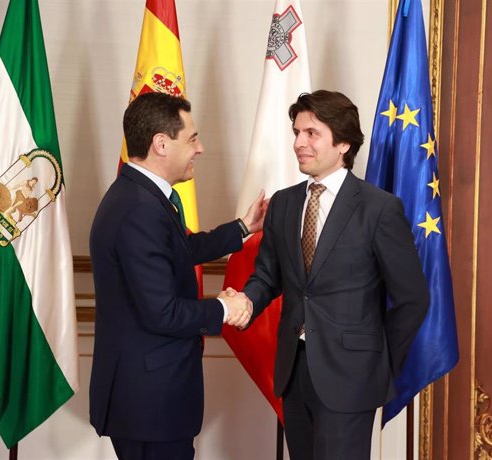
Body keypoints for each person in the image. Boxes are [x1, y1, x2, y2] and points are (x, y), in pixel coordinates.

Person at [238, 90, 429, 459]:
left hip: (352, 377)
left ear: (342, 142)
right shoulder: (283, 203)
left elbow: (413, 298)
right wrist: (246, 299)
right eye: (296, 132)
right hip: (294, 372)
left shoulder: (379, 209)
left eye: (311, 133)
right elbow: (267, 275)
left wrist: (378, 362)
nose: (298, 143)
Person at [89, 92, 266, 460]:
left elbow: (179, 250)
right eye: (192, 138)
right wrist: (224, 308)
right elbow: (162, 312)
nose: (200, 148)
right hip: (149, 404)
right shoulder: (140, 210)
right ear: (161, 144)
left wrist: (242, 227)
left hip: (147, 399)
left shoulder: (140, 197)